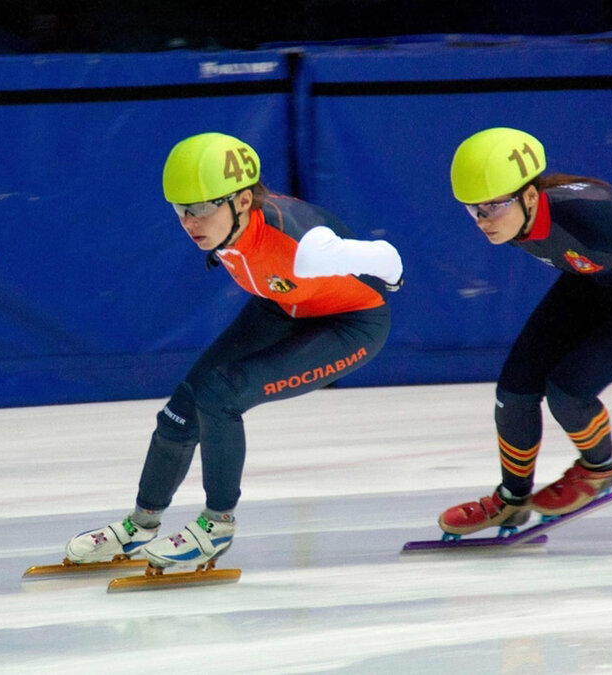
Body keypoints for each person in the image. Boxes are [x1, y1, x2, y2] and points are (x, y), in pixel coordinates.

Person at [63, 132, 402, 570]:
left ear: (242, 201)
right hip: (281, 305)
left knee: (221, 395)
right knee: (182, 408)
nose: (190, 222)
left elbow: (386, 256)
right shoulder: (227, 226)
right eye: (181, 209)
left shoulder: (307, 247)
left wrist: (394, 277)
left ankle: (217, 524)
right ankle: (141, 525)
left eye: (202, 208)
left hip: (350, 324)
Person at [439, 127, 612, 537]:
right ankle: (512, 500)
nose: (483, 221)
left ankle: (598, 469)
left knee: (568, 392)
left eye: (493, 206)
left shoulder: (588, 220)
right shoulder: (514, 217)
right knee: (513, 393)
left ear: (530, 196)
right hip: (593, 280)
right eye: (473, 210)